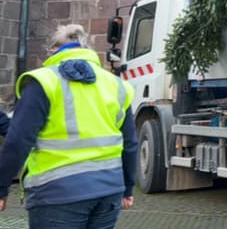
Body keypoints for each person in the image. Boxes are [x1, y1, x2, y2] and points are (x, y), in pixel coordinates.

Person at [0, 24, 138, 228]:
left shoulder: (43, 81)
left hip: (57, 193)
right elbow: (130, 143)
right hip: (109, 191)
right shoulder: (116, 85)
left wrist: (2, 187)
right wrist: (128, 188)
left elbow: (18, 140)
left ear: (54, 50)